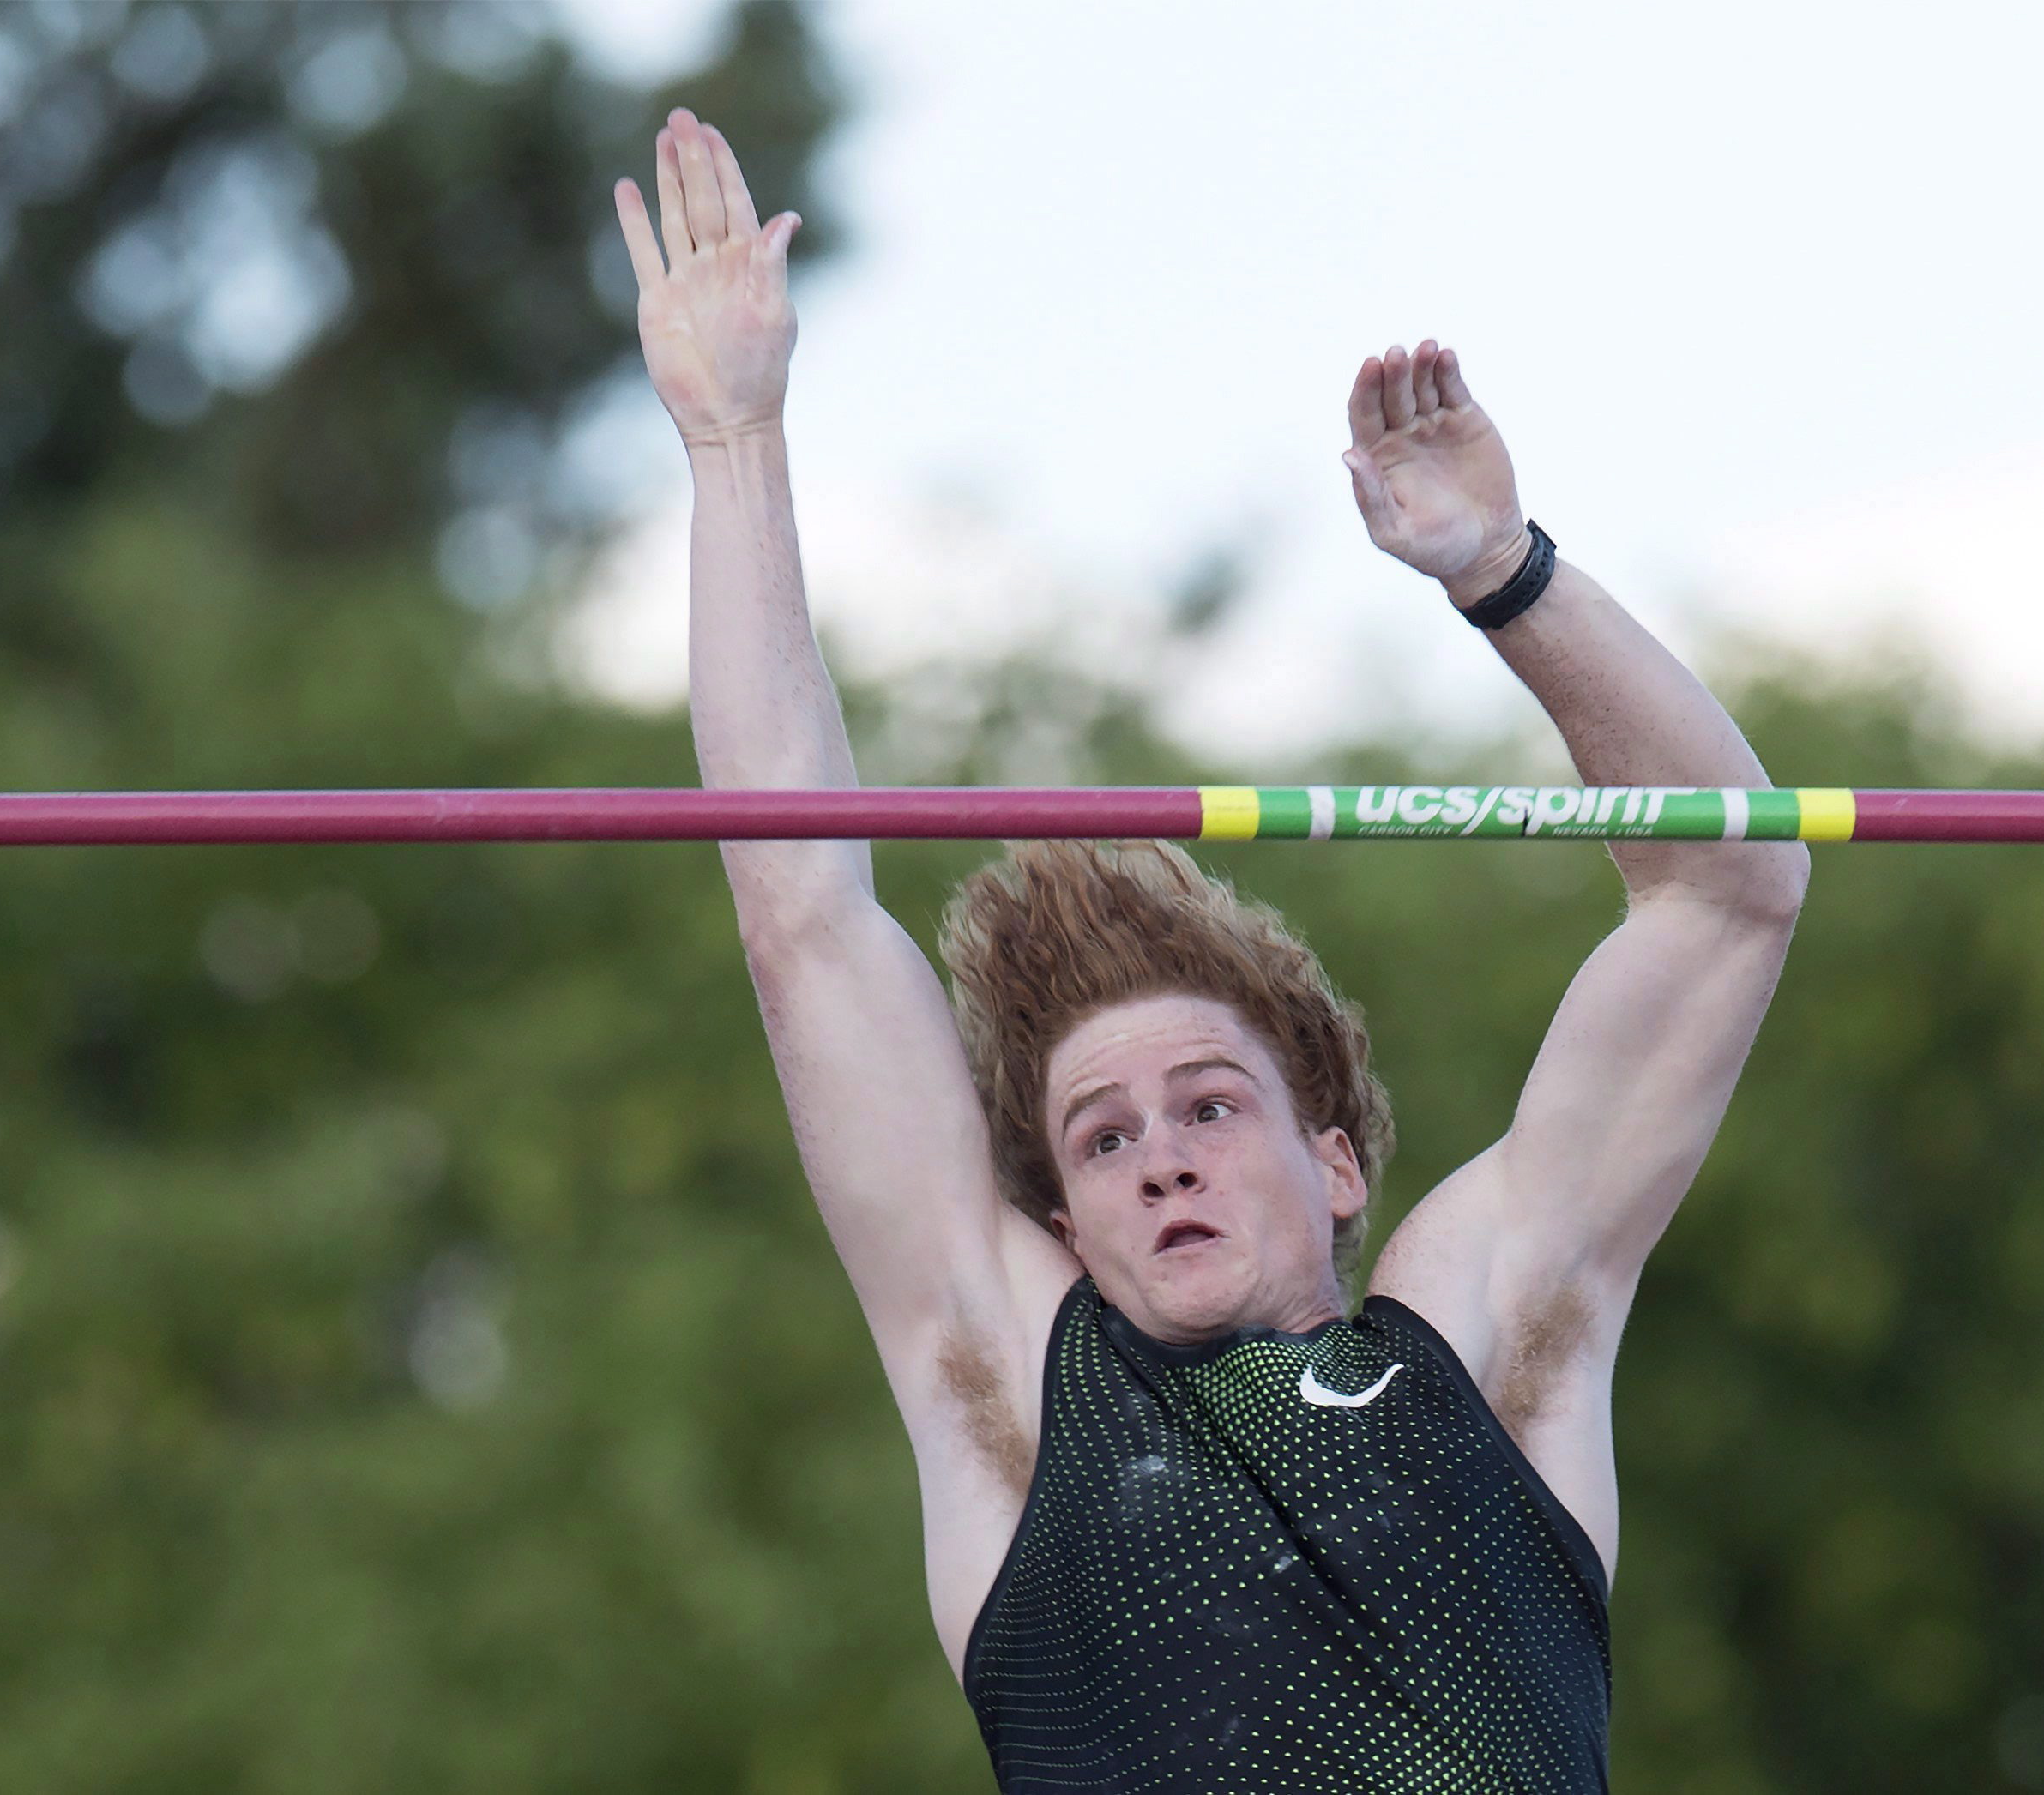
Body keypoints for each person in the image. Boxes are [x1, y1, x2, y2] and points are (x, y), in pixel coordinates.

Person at [615, 107, 1808, 1793]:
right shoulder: (1022, 1393)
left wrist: (1505, 576)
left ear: (1335, 1162)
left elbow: (1730, 888)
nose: (1160, 1160)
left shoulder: (1488, 1340)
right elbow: (800, 919)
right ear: (1062, 1219)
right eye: (1105, 1140)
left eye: (1207, 1107)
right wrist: (735, 441)